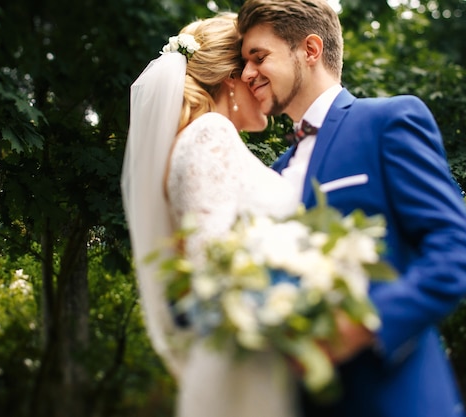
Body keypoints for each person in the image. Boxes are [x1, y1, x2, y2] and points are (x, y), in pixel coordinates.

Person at [237, 1, 466, 416]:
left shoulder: (388, 121)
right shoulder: (272, 173)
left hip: (396, 398)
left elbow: (459, 250)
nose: (247, 74)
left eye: (258, 57)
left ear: (311, 50)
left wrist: (364, 324)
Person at [121, 13, 301, 417]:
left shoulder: (199, 138)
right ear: (232, 79)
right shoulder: (210, 136)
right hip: (243, 368)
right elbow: (215, 269)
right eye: (252, 67)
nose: (261, 80)